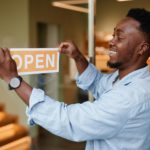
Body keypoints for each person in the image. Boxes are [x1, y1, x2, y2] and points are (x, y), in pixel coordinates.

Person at [0, 8, 150, 150]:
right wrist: (78, 57)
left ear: (142, 48)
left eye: (120, 37)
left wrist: (14, 80)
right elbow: (98, 83)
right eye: (113, 35)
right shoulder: (123, 78)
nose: (112, 42)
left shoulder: (130, 97)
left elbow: (68, 120)